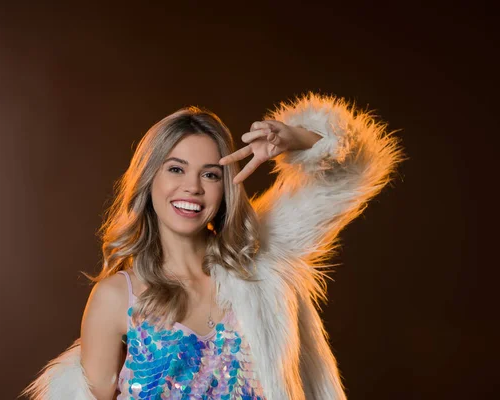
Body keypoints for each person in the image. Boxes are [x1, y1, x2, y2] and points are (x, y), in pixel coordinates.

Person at [23, 93, 403, 400]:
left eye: (210, 174)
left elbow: (354, 170)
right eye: (175, 169)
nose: (192, 187)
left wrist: (297, 139)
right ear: (148, 180)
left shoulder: (262, 262)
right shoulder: (113, 297)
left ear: (226, 188)